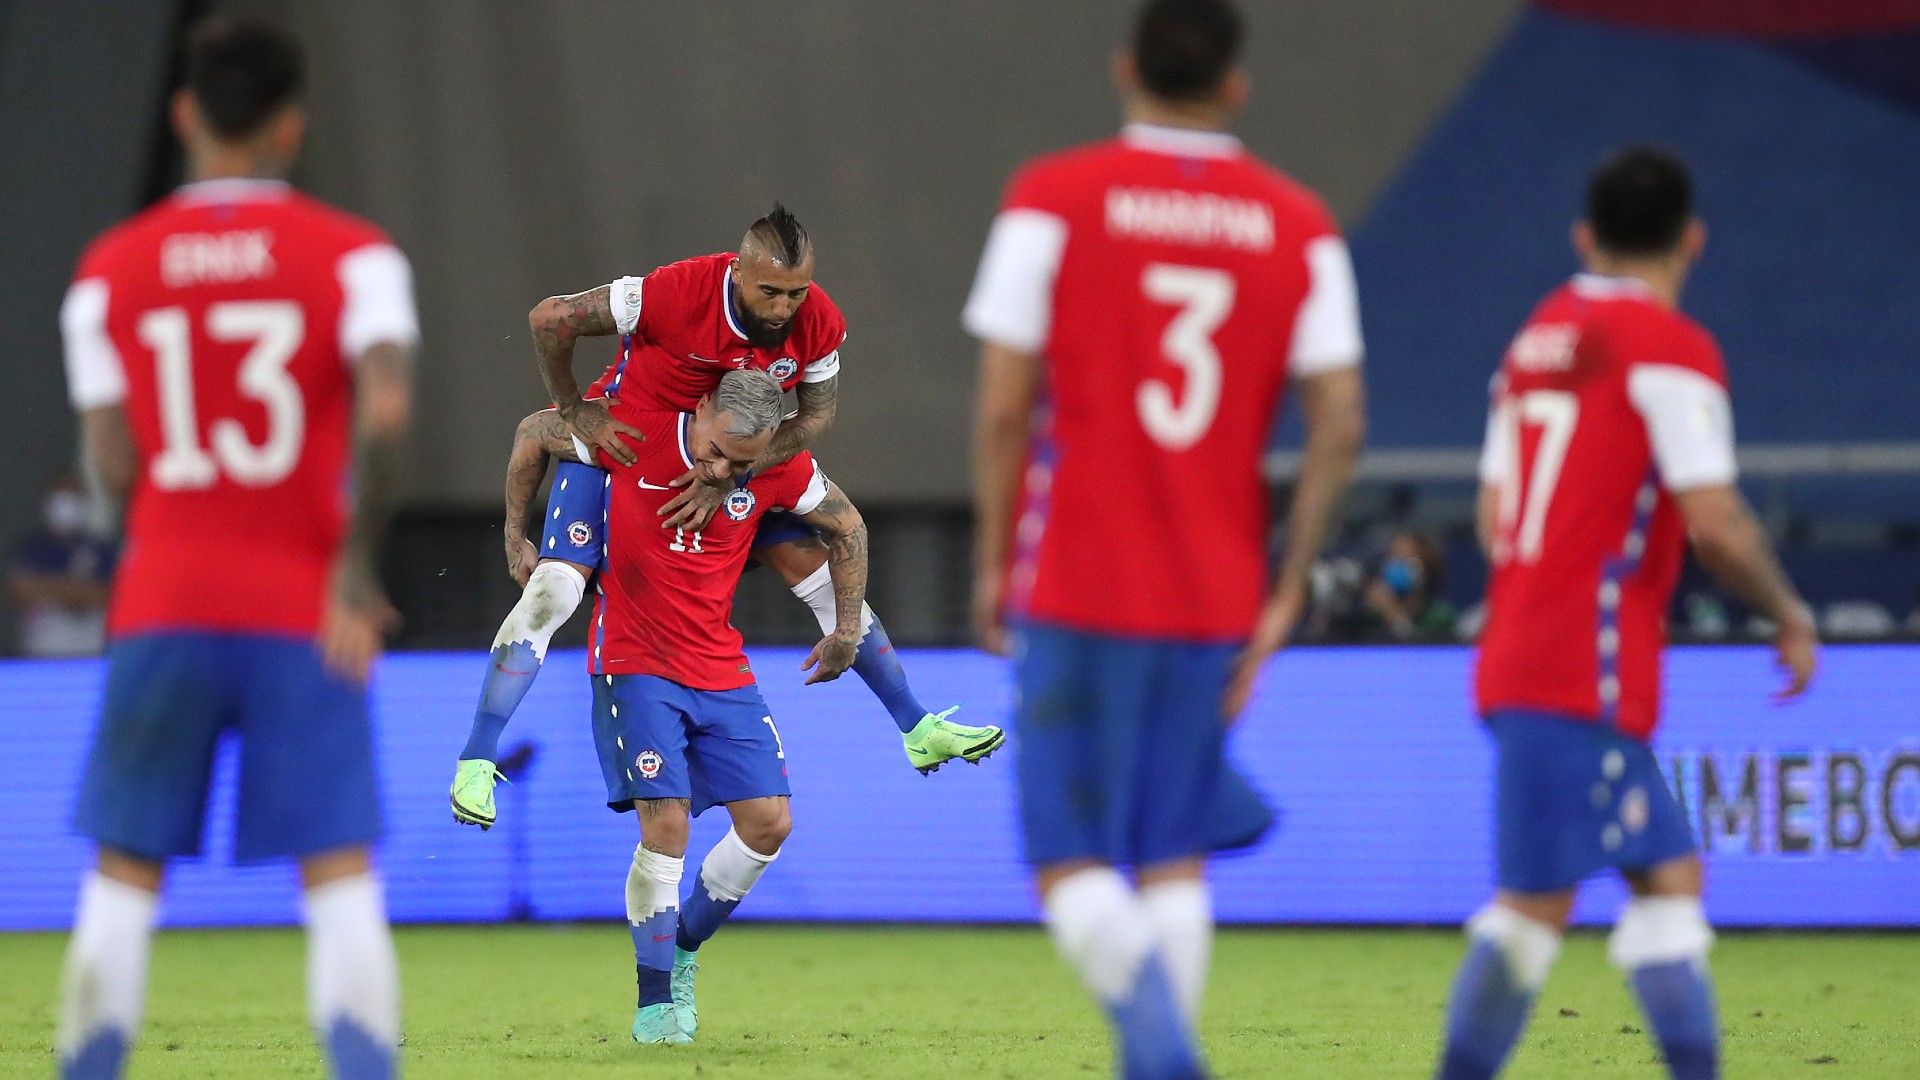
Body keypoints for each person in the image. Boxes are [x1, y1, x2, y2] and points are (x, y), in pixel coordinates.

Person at [965, 1, 1366, 1075]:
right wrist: (1285, 586)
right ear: (1235, 86)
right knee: (1175, 855)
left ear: (1124, 69)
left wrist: (995, 562)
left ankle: (1167, 1064)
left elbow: (1006, 408)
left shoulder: (1050, 198)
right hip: (1219, 588)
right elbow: (1342, 419)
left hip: (1080, 576)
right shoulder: (1300, 223)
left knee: (1068, 860)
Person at [53, 18, 416, 1079]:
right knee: (338, 874)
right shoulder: (357, 259)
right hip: (303, 609)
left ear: (183, 115)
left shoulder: (107, 271)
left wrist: (168, 539)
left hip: (160, 605)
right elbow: (386, 414)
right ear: (292, 126)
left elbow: (111, 464)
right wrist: (352, 571)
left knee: (123, 874)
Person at [1436, 147, 1818, 1080]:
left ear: (1584, 236)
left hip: (1518, 656)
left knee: (1657, 884)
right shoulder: (1670, 348)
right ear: (1692, 238)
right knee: (1542, 912)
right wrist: (1789, 614)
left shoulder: (1531, 344)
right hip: (1585, 672)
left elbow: (1495, 518)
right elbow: (1717, 523)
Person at [450, 206, 1002, 829]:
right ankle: (476, 759)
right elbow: (551, 319)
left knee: (816, 569)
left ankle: (916, 725)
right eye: (770, 291)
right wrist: (576, 409)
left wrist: (733, 473)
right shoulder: (673, 292)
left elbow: (814, 418)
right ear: (737, 273)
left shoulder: (819, 322)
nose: (783, 307)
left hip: (731, 460)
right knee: (556, 589)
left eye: (796, 292)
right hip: (633, 444)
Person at [509, 370, 867, 1044]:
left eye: (742, 459)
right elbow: (535, 431)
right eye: (716, 451)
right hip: (635, 663)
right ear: (699, 410)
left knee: (769, 824)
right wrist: (514, 533)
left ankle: (681, 950)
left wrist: (845, 629)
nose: (723, 468)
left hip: (719, 666)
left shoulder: (769, 469)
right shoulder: (635, 436)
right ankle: (655, 1004)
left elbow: (848, 528)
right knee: (665, 830)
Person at [7, 471, 115, 657]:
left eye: (73, 497)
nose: (67, 504)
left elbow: (113, 593)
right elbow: (21, 591)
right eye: (61, 497)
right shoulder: (31, 548)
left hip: (93, 650)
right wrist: (78, 590)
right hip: (42, 653)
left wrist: (51, 589)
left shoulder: (101, 548)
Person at [1355, 530, 1456, 641]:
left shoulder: (1440, 616)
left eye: (1407, 558)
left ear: (1426, 567)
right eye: (1394, 556)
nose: (1398, 564)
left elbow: (1418, 651)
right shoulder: (1370, 617)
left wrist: (1393, 614)